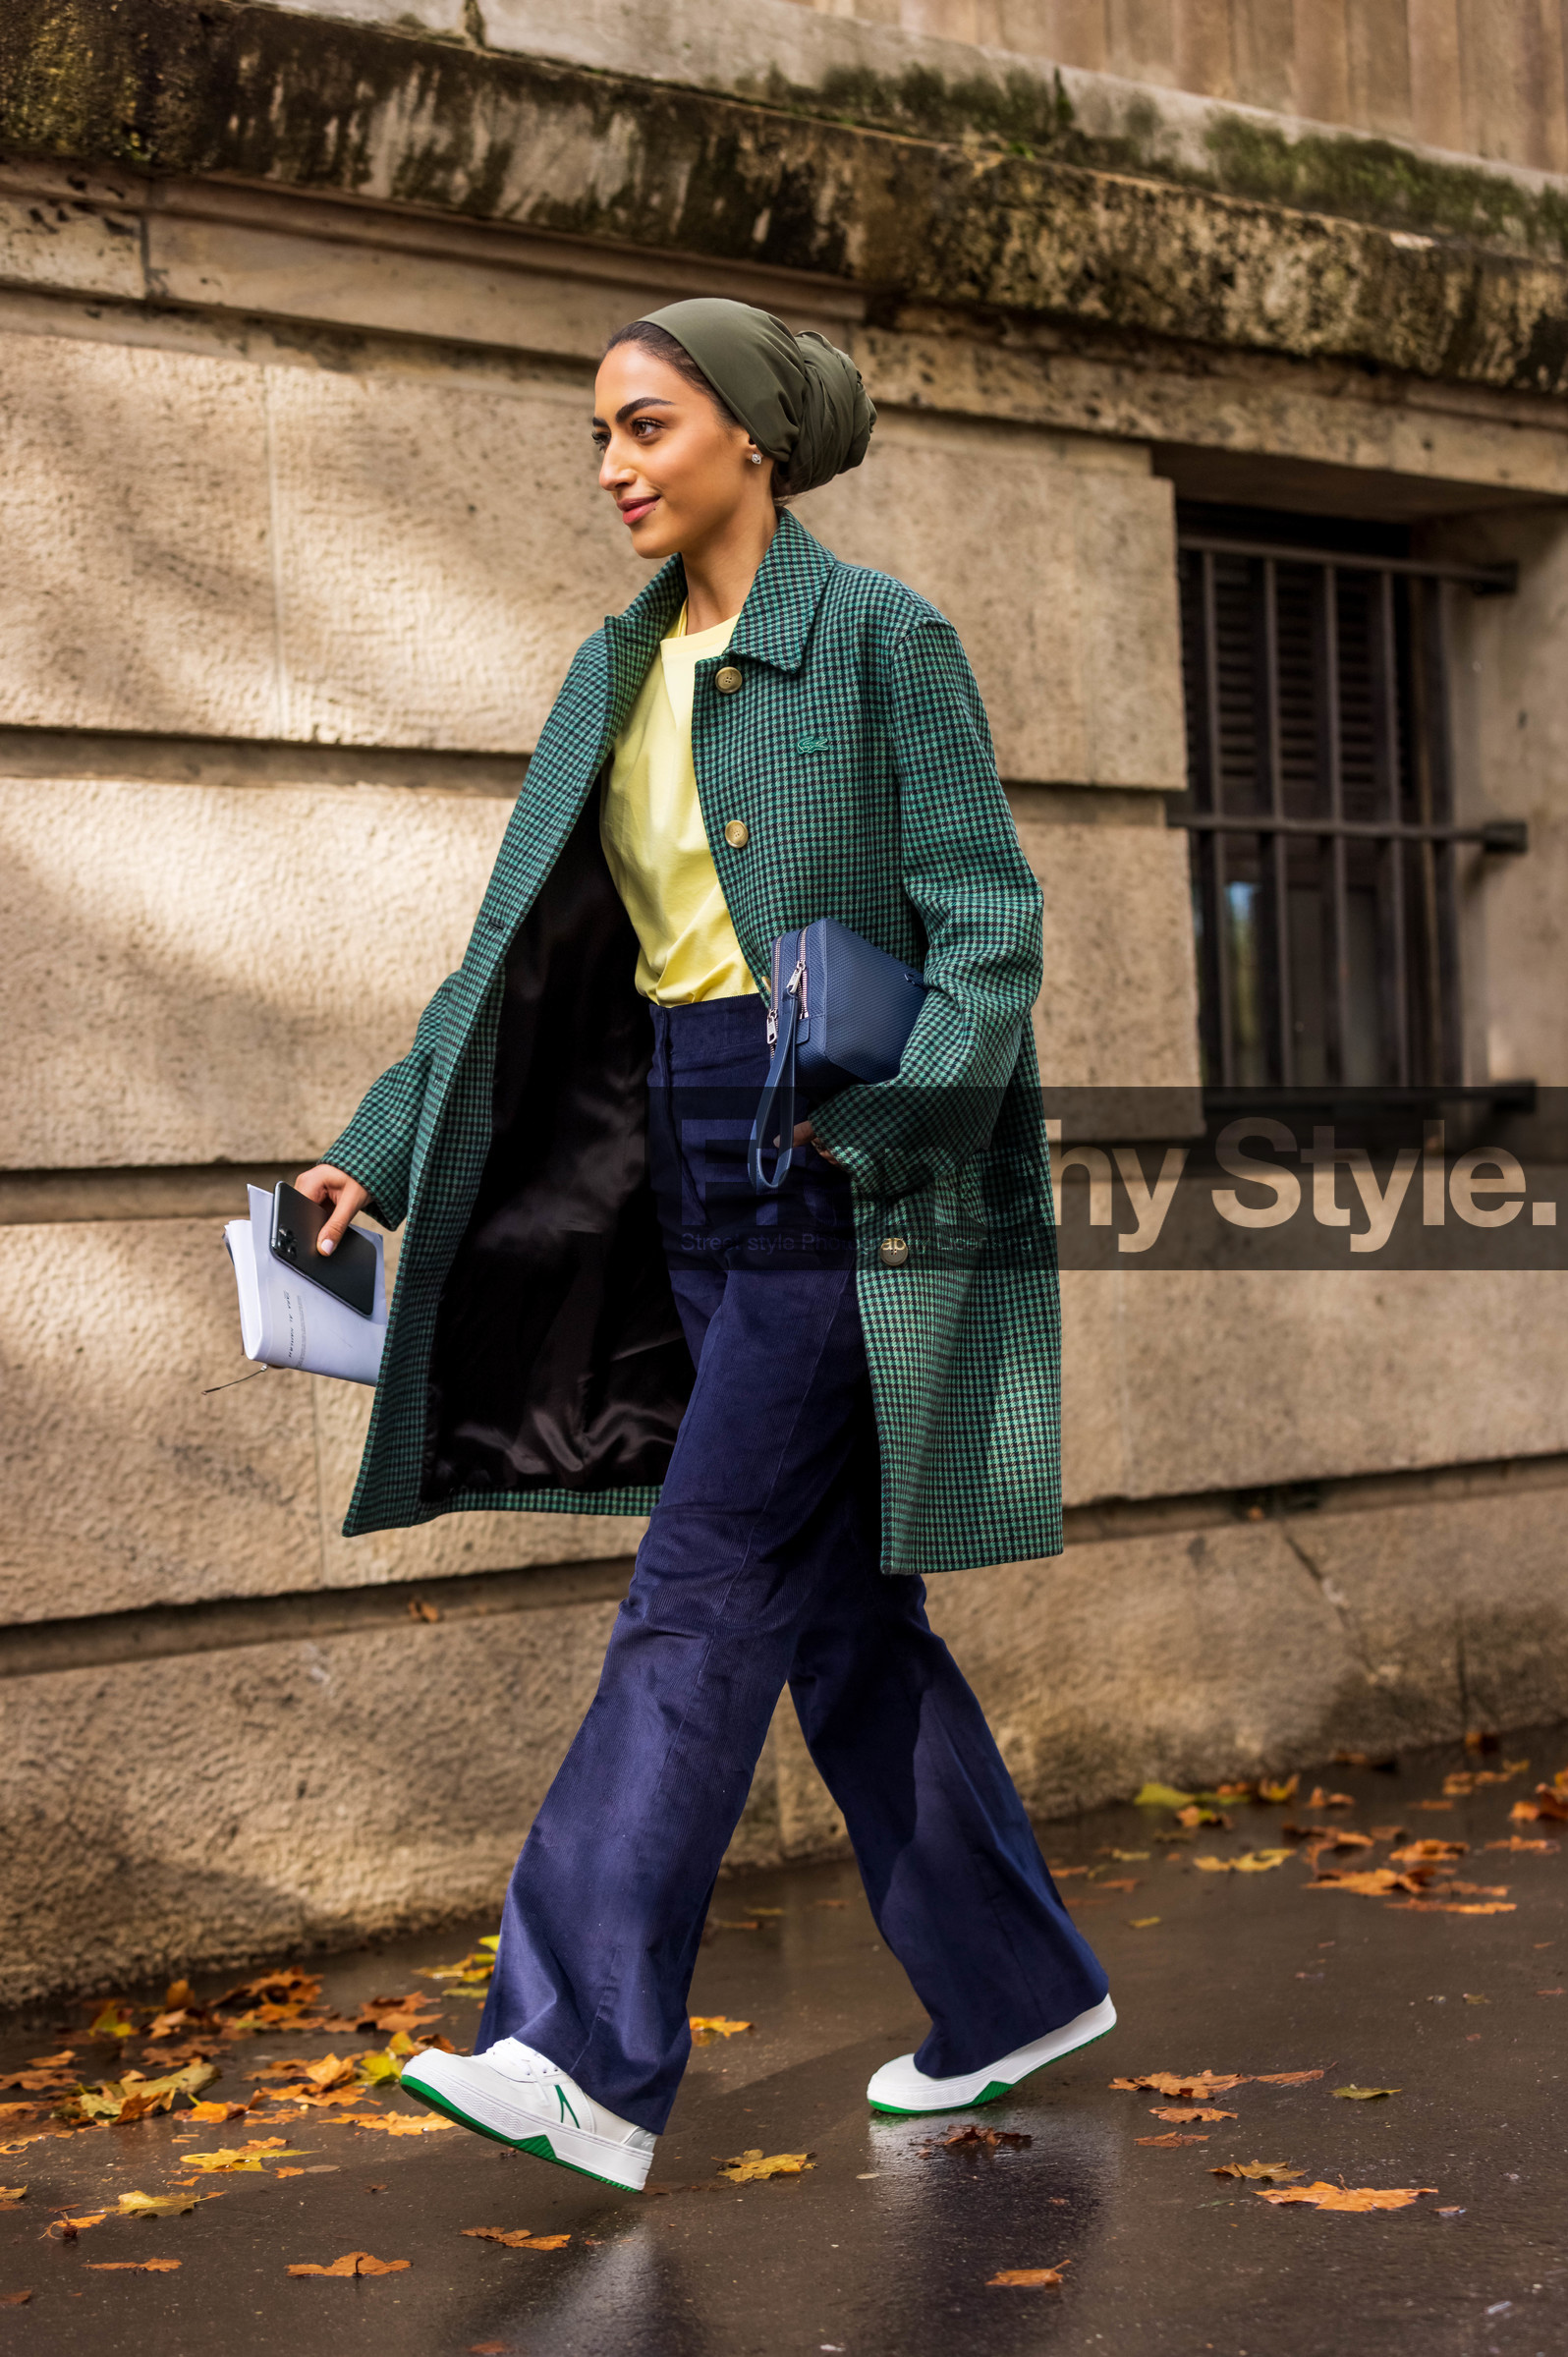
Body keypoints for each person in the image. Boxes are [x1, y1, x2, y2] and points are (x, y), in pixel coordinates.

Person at [295, 298, 1113, 2194]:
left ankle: (575, 2047)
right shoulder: (612, 669)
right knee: (835, 1611)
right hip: (678, 1152)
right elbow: (502, 966)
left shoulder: (883, 638)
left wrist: (896, 1126)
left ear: (752, 435)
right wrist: (375, 1161)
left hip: (837, 1157)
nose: (613, 468)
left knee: (705, 1577)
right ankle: (1010, 1988)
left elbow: (990, 924)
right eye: (600, 433)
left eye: (647, 428)